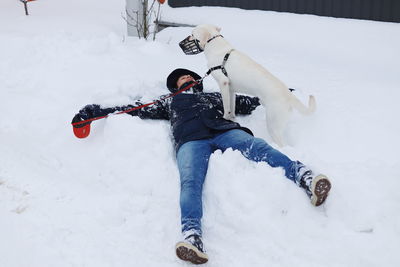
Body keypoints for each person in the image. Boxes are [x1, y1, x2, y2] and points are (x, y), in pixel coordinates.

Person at [72, 68, 331, 265]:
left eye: (189, 77)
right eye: (181, 80)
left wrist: (281, 95)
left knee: (259, 148)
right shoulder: (168, 101)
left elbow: (252, 101)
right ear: (175, 86)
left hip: (225, 131)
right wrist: (94, 111)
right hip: (190, 141)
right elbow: (134, 108)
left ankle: (304, 176)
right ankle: (192, 235)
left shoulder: (216, 96)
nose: (186, 80)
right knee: (190, 182)